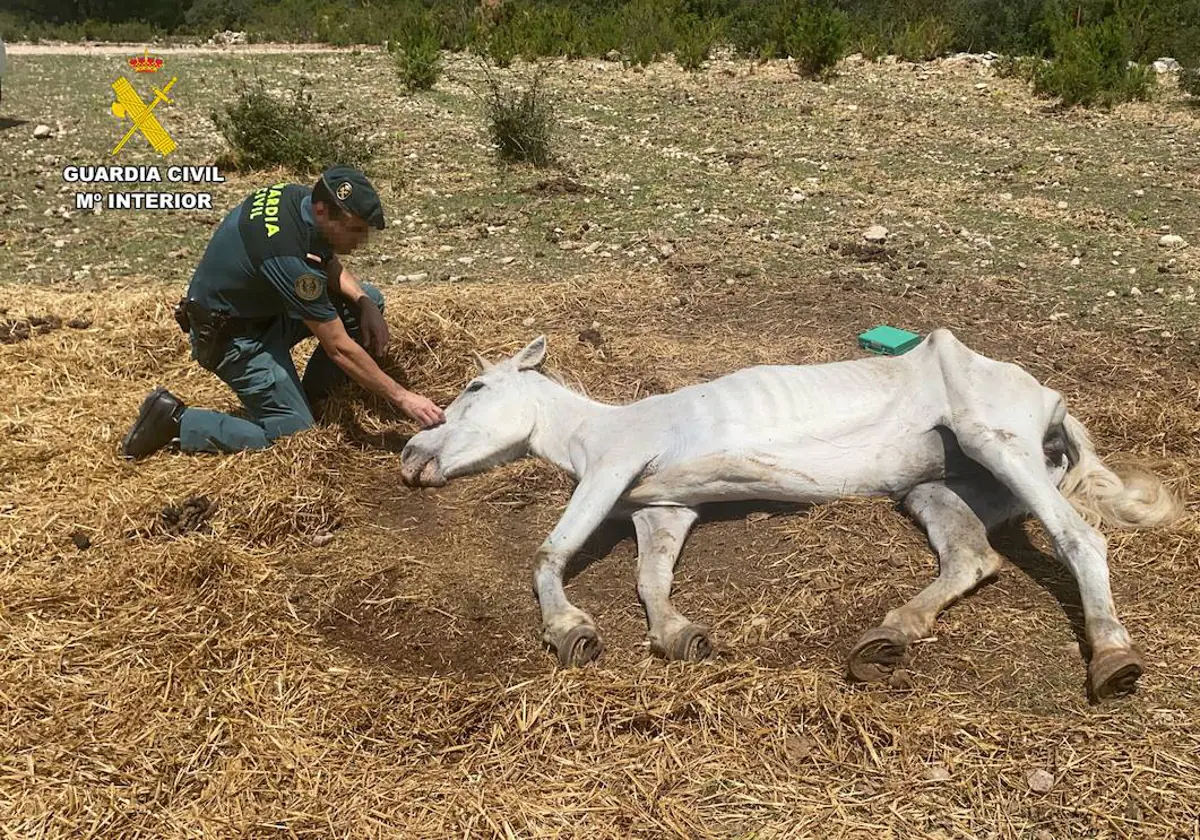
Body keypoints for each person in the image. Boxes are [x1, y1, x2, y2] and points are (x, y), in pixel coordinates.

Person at [120, 164, 445, 460]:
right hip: (234, 340)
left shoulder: (299, 199)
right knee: (295, 434)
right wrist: (402, 398)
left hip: (262, 311)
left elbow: (326, 261)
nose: (360, 241)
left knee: (368, 300)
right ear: (323, 211)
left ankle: (315, 397)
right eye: (355, 231)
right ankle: (176, 422)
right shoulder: (291, 262)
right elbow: (339, 349)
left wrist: (364, 302)